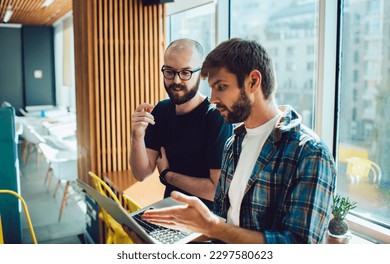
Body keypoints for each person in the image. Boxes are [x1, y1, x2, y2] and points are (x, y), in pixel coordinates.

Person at [139, 38, 337, 244]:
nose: (213, 99)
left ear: (253, 81)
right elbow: (228, 222)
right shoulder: (233, 145)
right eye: (212, 88)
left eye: (221, 87)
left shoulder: (309, 153)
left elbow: (301, 247)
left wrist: (212, 227)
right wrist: (188, 231)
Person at [130, 38, 233, 210]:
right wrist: (137, 135)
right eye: (169, 72)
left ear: (202, 73)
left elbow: (216, 191)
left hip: (205, 225)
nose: (176, 81)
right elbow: (141, 174)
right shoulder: (161, 111)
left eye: (185, 73)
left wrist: (167, 175)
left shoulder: (216, 118)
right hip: (169, 212)